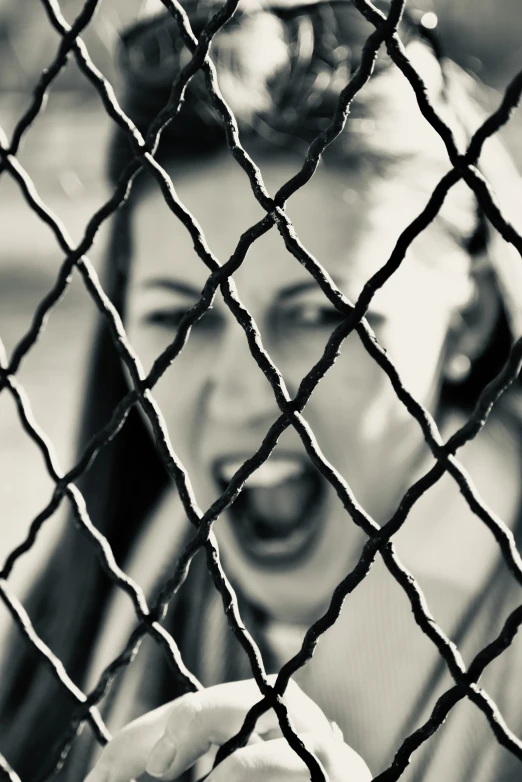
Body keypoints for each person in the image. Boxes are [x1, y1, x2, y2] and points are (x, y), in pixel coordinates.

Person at [1, 1, 521, 780]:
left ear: (472, 312)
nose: (251, 399)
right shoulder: (101, 618)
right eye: (181, 318)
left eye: (320, 312)